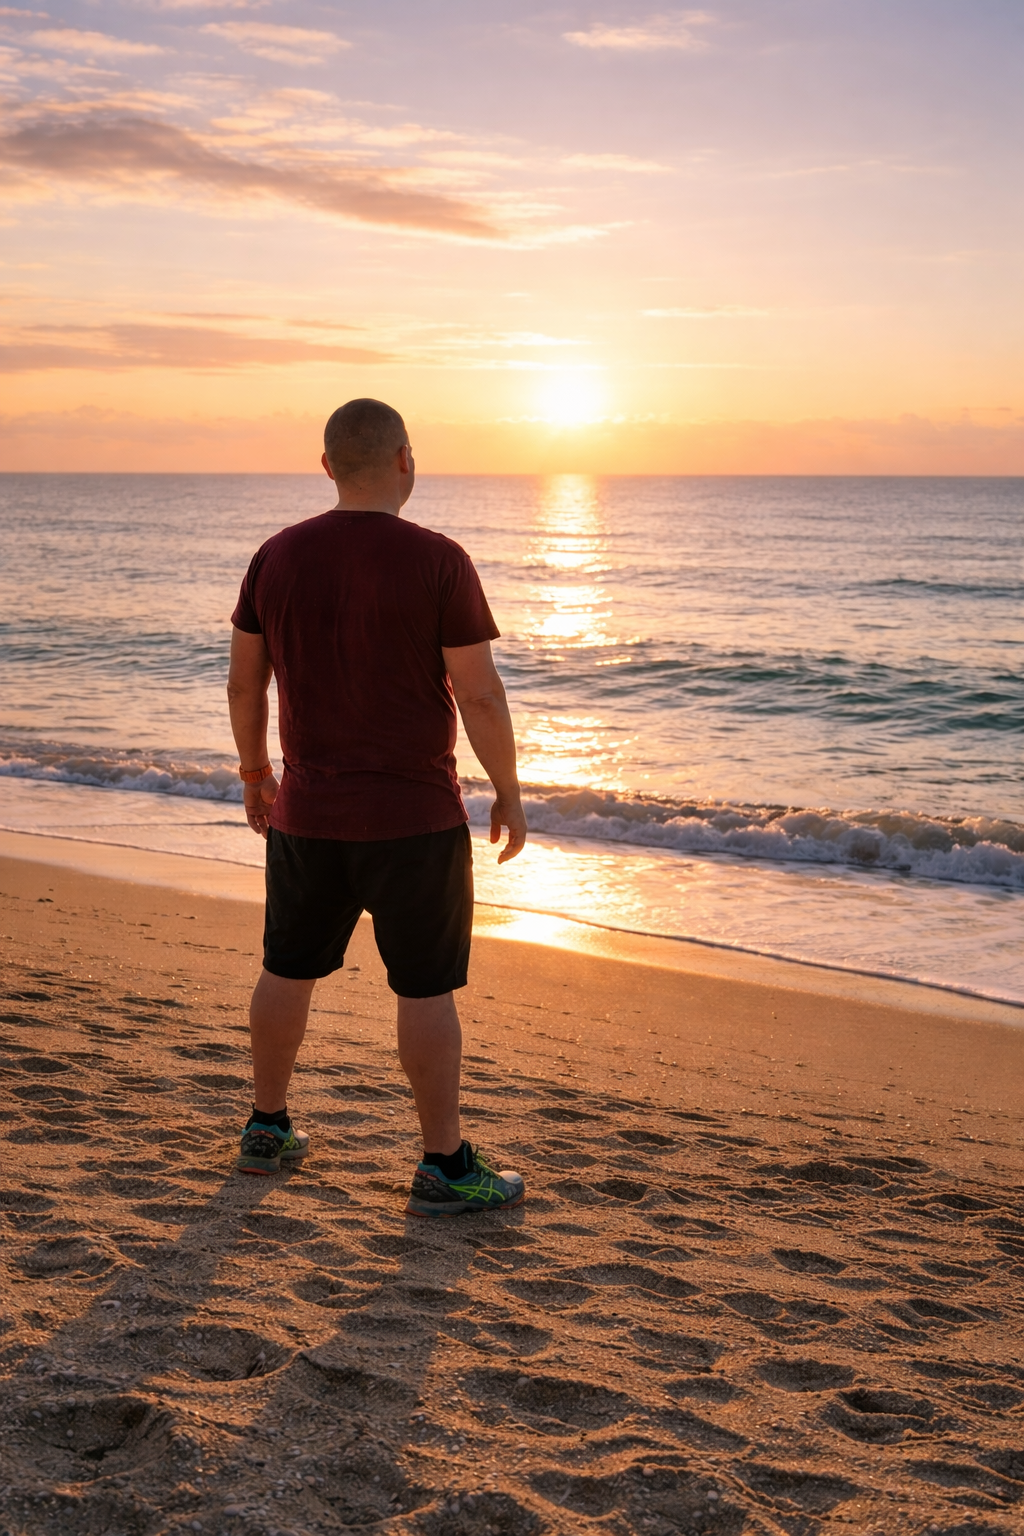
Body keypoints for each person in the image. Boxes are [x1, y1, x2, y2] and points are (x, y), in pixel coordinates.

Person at [227, 398, 528, 1216]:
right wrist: (507, 789)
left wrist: (256, 771)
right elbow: (481, 696)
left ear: (328, 466)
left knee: (286, 968)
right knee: (425, 990)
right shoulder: (439, 560)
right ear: (406, 460)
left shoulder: (275, 557)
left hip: (307, 812)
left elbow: (244, 682)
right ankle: (443, 1164)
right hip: (415, 820)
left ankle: (267, 1126)